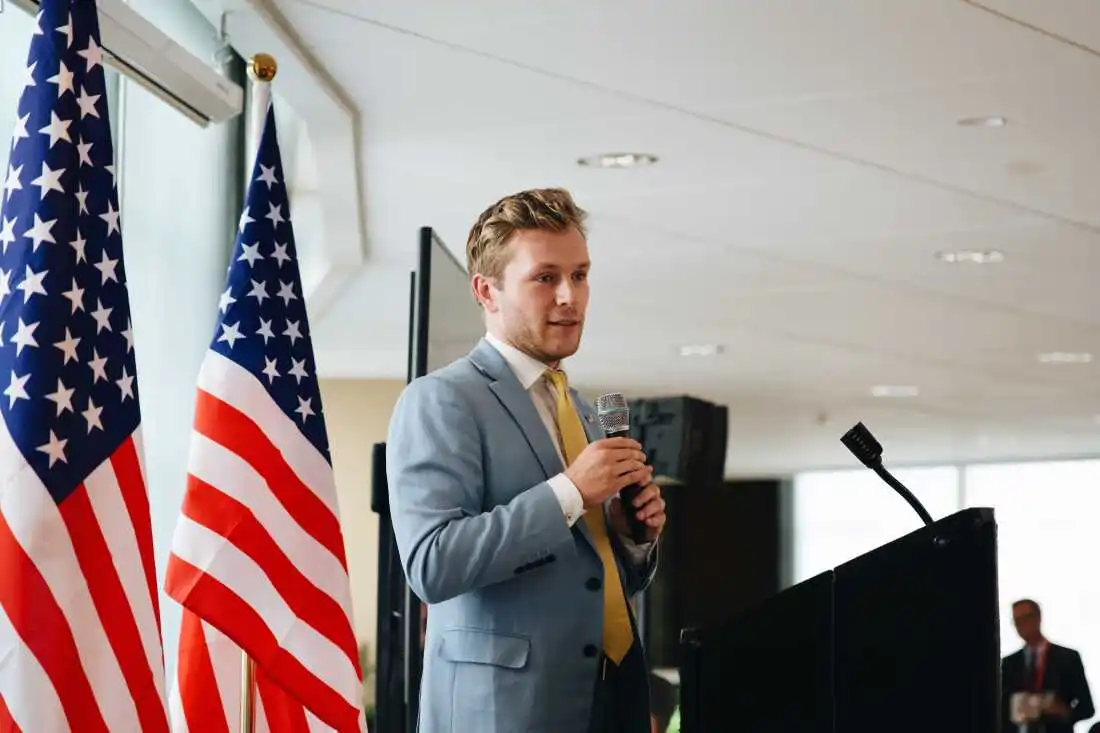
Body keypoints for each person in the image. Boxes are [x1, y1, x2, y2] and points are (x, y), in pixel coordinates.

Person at [386, 188, 666, 733]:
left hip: (613, 699)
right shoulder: (442, 399)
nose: (570, 296)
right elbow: (432, 564)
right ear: (486, 291)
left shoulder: (582, 412)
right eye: (546, 277)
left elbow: (586, 580)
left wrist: (627, 537)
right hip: (505, 711)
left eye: (580, 275)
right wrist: (571, 493)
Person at [1001, 599, 1094, 733]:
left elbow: (1087, 708)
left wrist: (1064, 712)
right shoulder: (1009, 663)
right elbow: (1002, 709)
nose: (1023, 624)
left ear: (1039, 617)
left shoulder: (1067, 658)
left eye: (1027, 617)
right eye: (1017, 621)